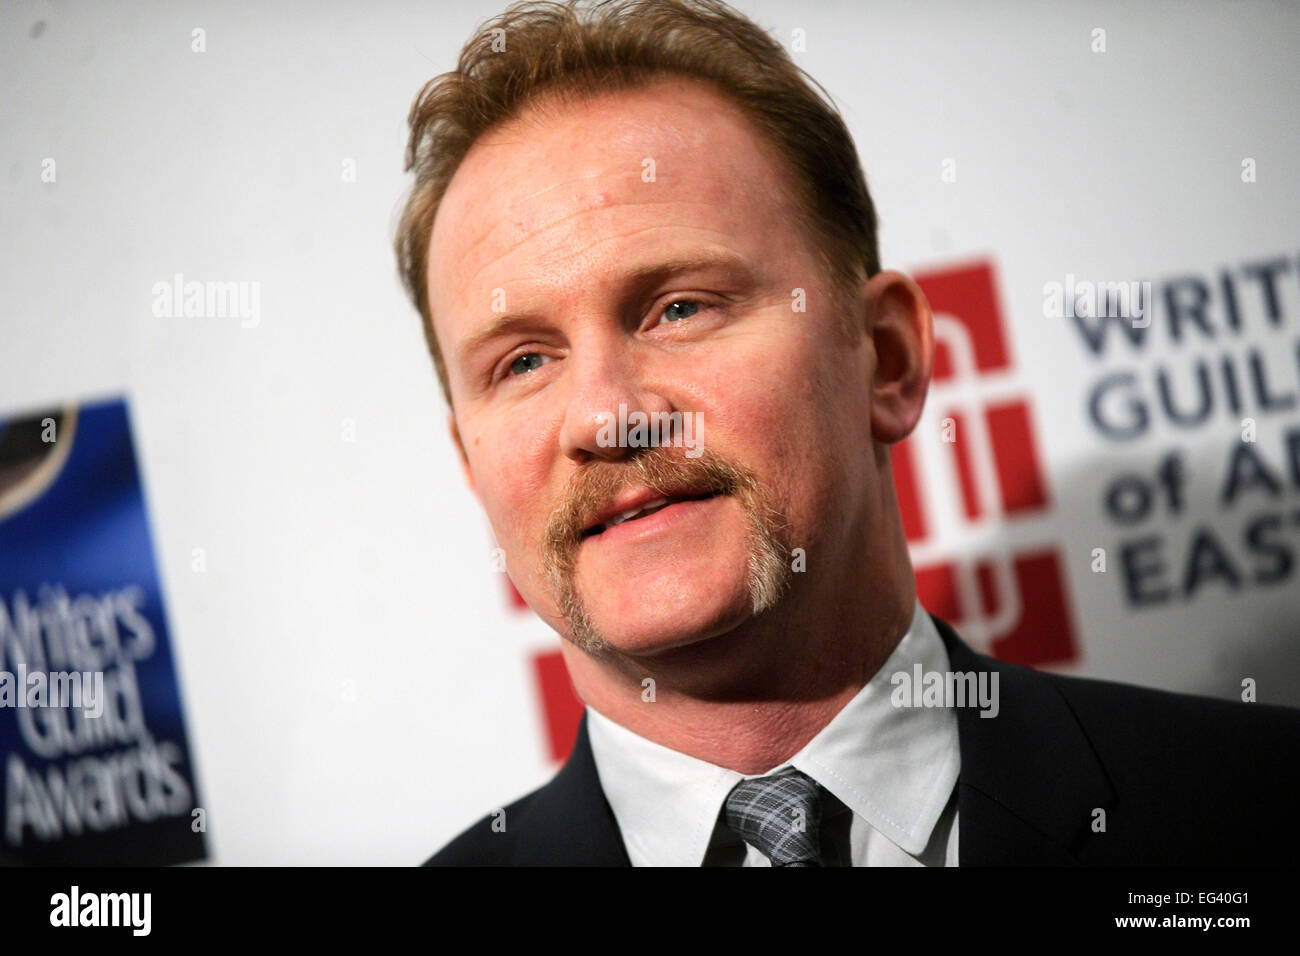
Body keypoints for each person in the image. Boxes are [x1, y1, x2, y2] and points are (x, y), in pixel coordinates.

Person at [394, 0, 1300, 866]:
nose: (604, 416)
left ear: (888, 358)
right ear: (472, 467)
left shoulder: (1256, 807)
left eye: (678, 307)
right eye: (522, 362)